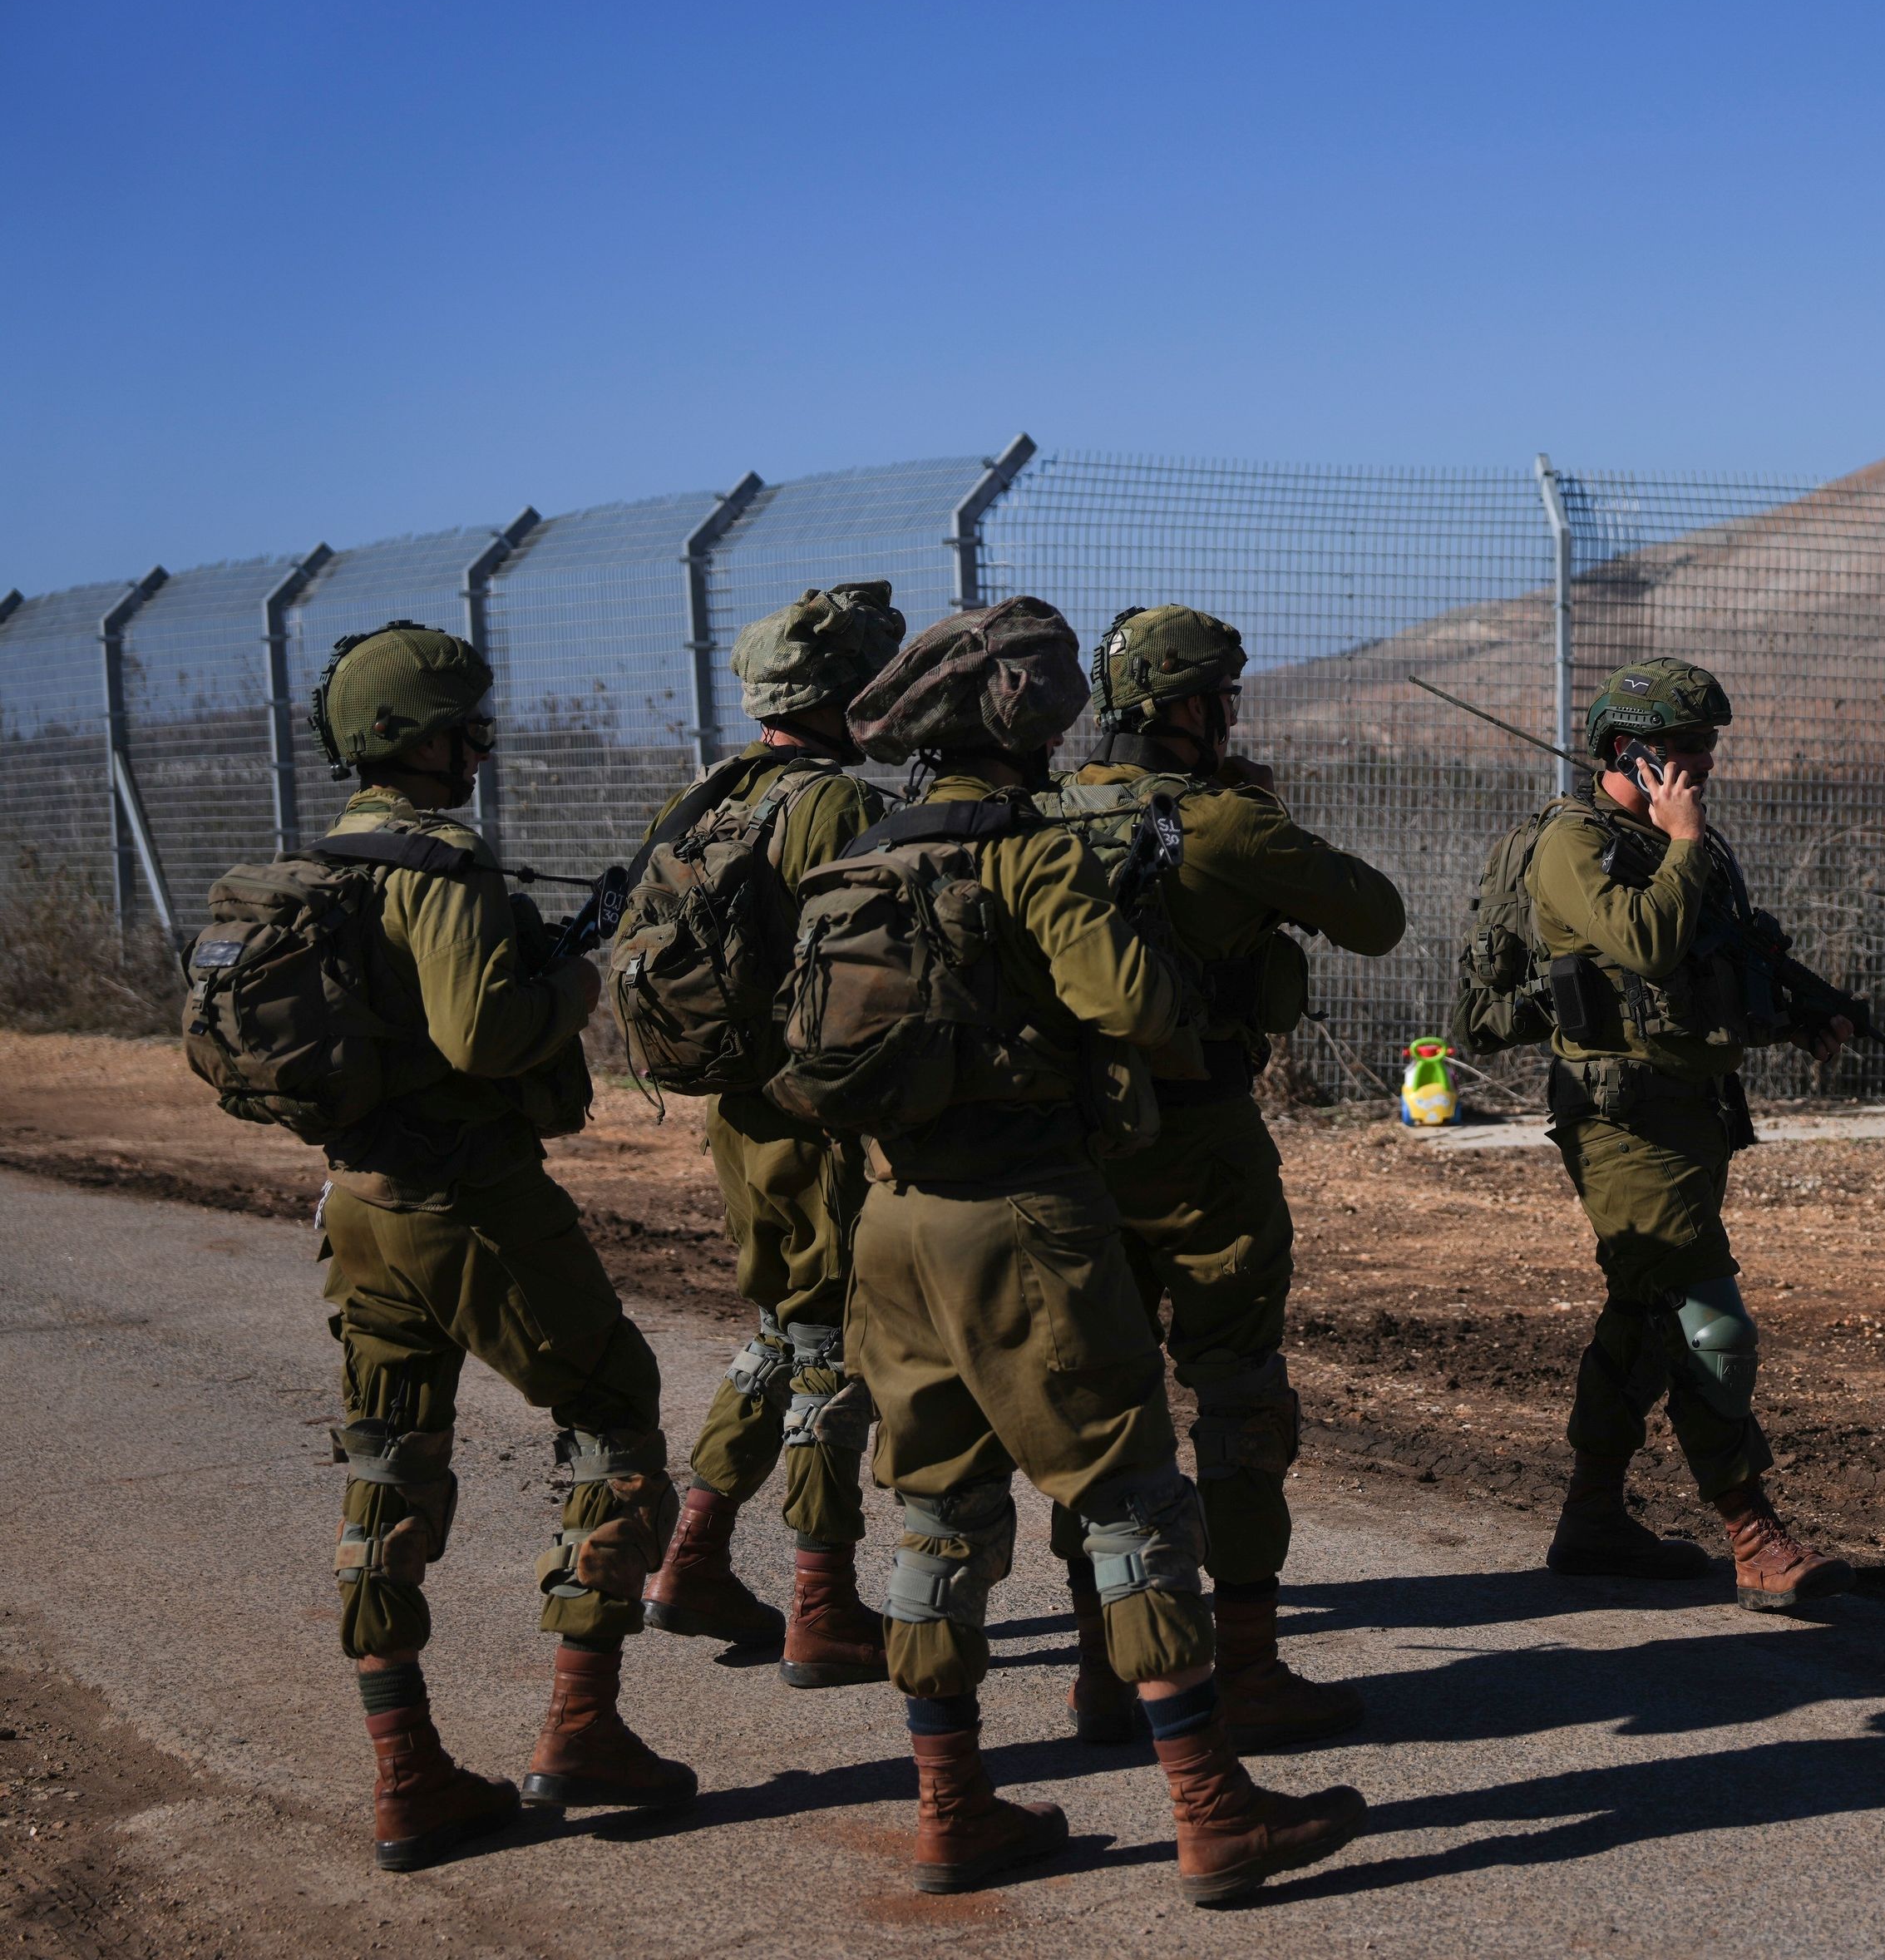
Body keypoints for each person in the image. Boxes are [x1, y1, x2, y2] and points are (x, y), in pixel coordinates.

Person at [777, 597, 1364, 1903]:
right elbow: (1137, 1004)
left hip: (891, 1223)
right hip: (1027, 1218)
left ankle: (952, 1807)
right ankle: (1212, 1813)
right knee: (1132, 1500)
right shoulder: (1031, 851)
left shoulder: (862, 854)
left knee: (937, 1514)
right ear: (1020, 717)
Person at [199, 621, 693, 1872]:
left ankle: (405, 1773)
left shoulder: (334, 858)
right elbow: (483, 1035)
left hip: (359, 1204)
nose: (481, 741)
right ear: (421, 738)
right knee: (613, 1406)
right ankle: (584, 1728)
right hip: (471, 1201)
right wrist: (587, 980)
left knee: (386, 1457)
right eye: (467, 723)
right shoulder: (445, 862)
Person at [1050, 605, 1405, 1752]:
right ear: (1189, 710)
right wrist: (1256, 816)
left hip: (1067, 1152)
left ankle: (1110, 1671)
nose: (1231, 717)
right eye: (1223, 700)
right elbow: (1377, 918)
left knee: (1102, 1407)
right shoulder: (1225, 822)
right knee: (1238, 1397)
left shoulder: (1041, 818)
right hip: (1201, 1146)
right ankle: (1246, 1669)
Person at [1527, 659, 1853, 1611]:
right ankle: (1752, 1532)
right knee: (1712, 1324)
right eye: (1684, 750)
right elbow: (1644, 944)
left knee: (1645, 1313)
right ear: (1628, 750)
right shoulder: (1576, 843)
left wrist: (1801, 1016)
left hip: (1691, 1116)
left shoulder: (1676, 842)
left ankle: (1590, 1518)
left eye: (1708, 748)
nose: (1703, 765)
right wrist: (1684, 843)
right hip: (1621, 1121)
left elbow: (1705, 976)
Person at [635, 582, 903, 1686]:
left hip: (739, 1115)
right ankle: (821, 1605)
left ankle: (692, 1561)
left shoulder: (707, 798)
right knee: (832, 1356)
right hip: (817, 1118)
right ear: (842, 694)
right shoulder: (833, 807)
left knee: (781, 1332)